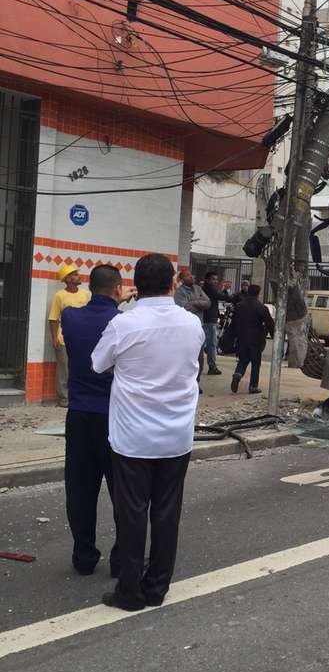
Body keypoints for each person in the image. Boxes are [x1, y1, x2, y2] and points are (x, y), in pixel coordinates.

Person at [92, 253, 204, 612]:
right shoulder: (191, 324)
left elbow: (98, 364)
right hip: (176, 436)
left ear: (136, 286)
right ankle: (156, 587)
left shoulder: (124, 323)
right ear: (173, 283)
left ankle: (129, 592)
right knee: (167, 512)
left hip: (133, 438)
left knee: (132, 513)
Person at [60, 265, 136, 576]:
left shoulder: (71, 316)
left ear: (90, 288)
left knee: (80, 489)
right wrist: (118, 306)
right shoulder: (123, 323)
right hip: (114, 417)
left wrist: (113, 302)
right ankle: (121, 560)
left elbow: (87, 321)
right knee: (123, 491)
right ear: (119, 290)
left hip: (78, 415)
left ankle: (83, 556)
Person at [48, 265, 89, 406]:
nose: (79, 276)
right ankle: (64, 399)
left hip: (82, 338)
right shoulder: (60, 295)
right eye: (75, 274)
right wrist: (54, 338)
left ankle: (78, 396)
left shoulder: (85, 294)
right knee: (64, 370)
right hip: (63, 339)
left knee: (80, 368)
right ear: (68, 279)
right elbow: (53, 318)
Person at [230, 284, 275, 394]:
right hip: (256, 338)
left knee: (243, 359)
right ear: (258, 293)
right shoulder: (261, 307)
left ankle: (238, 374)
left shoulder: (239, 305)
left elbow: (234, 321)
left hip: (241, 336)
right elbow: (269, 323)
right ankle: (253, 386)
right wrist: (274, 335)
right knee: (255, 362)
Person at [201, 270, 232, 375]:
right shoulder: (210, 289)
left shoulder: (204, 288)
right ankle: (212, 366)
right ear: (207, 280)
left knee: (206, 343)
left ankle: (209, 364)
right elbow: (224, 297)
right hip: (209, 320)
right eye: (213, 279)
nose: (215, 281)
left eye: (216, 280)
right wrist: (226, 291)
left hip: (207, 318)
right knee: (212, 344)